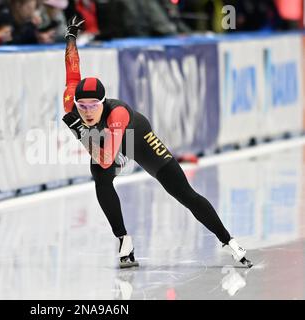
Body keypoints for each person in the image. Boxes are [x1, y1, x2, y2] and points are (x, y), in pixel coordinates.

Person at [61, 16, 253, 269]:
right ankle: (123, 241)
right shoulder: (70, 102)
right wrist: (71, 36)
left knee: (183, 193)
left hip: (137, 137)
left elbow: (107, 156)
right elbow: (72, 66)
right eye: (82, 106)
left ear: (103, 102)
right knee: (99, 174)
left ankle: (229, 241)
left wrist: (81, 132)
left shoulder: (116, 113)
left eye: (93, 106)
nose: (86, 111)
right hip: (108, 141)